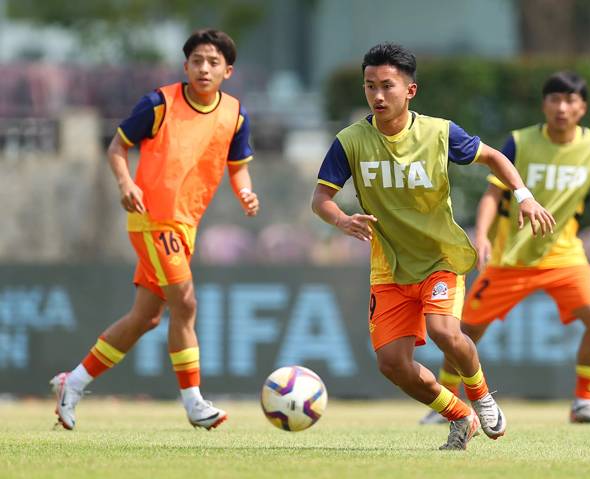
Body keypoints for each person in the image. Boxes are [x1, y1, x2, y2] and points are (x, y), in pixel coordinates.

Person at [311, 43, 555, 450]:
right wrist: (342, 219)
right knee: (392, 365)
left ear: (410, 91)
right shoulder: (350, 141)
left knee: (444, 330)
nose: (377, 95)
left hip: (440, 257)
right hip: (389, 265)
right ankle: (460, 415)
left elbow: (495, 158)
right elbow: (320, 199)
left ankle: (481, 395)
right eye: (369, 86)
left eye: (387, 86)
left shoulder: (440, 133)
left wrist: (524, 195)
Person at [50, 29, 259, 430]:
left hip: (186, 225)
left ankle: (71, 384)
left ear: (227, 71)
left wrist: (246, 193)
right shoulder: (159, 103)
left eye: (213, 62)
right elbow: (116, 147)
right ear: (185, 66)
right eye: (197, 60)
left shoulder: (235, 114)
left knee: (145, 318)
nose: (203, 68)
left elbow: (239, 167)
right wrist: (126, 183)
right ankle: (194, 403)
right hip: (152, 219)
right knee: (186, 303)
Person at [421, 71, 590, 426]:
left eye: (570, 100)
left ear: (583, 107)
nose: (562, 107)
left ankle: (583, 404)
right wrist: (481, 236)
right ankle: (448, 404)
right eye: (554, 99)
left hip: (564, 255)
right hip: (510, 258)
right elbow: (493, 193)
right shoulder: (520, 142)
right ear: (544, 105)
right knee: (463, 331)